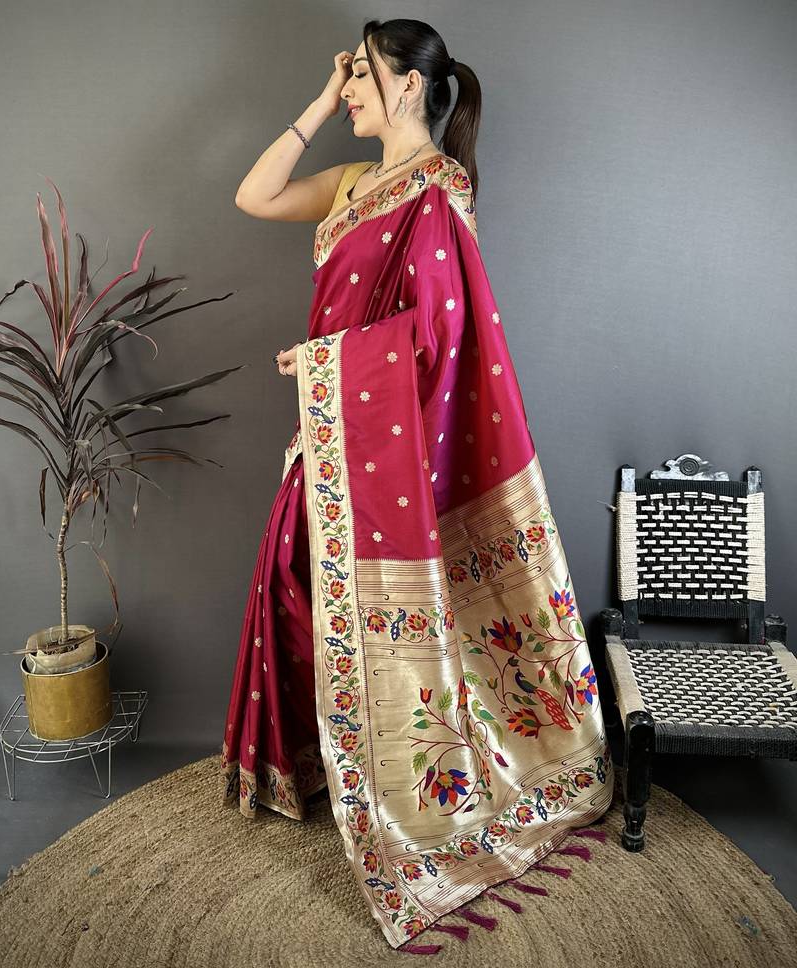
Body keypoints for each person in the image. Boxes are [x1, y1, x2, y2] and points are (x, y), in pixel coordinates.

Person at [220, 18, 615, 951]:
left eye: (361, 75)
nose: (349, 90)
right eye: (347, 78)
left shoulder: (438, 191)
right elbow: (254, 194)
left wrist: (327, 364)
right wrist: (322, 98)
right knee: (291, 578)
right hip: (332, 433)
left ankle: (403, 781)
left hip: (387, 438)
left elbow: (439, 335)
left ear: (408, 84)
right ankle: (323, 764)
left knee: (328, 587)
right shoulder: (352, 184)